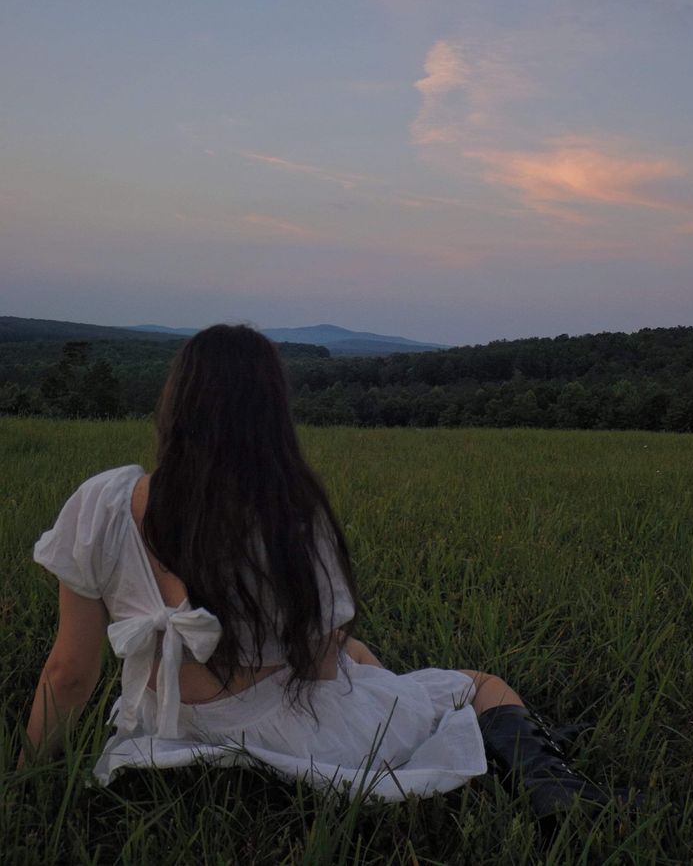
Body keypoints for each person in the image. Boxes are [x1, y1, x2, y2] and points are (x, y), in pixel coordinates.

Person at [22, 325, 638, 823]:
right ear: (272, 410)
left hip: (173, 725)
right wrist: (355, 657)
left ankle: (523, 743)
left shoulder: (101, 503)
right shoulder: (289, 510)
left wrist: (25, 782)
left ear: (175, 402)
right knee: (474, 683)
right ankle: (554, 785)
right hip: (290, 733)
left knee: (365, 660)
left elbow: (69, 673)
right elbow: (316, 667)